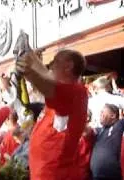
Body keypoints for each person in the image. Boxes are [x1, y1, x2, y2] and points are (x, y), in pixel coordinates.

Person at [16, 49, 88, 179]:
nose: (51, 64)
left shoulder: (75, 92)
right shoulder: (66, 94)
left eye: (55, 61)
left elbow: (47, 85)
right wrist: (30, 55)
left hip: (54, 173)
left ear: (68, 66)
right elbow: (46, 74)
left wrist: (29, 72)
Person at [90, 104, 124, 180]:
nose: (100, 114)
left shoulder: (119, 125)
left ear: (112, 116)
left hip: (112, 176)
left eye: (103, 112)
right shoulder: (99, 131)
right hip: (95, 177)